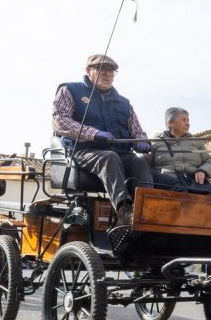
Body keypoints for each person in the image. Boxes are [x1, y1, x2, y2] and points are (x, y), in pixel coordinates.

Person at [51, 53, 153, 227]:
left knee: (139, 163)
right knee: (109, 158)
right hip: (82, 151)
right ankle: (124, 212)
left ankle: (148, 210)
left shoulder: (124, 103)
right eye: (101, 69)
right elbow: (59, 121)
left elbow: (137, 131)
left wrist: (143, 142)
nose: (107, 74)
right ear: (88, 71)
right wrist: (94, 133)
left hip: (120, 152)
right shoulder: (69, 90)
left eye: (111, 71)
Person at [145, 107, 211, 193]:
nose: (188, 124)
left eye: (188, 120)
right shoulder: (154, 142)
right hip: (165, 185)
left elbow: (209, 161)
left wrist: (203, 170)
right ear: (170, 122)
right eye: (184, 120)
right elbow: (143, 164)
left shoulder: (196, 142)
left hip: (192, 184)